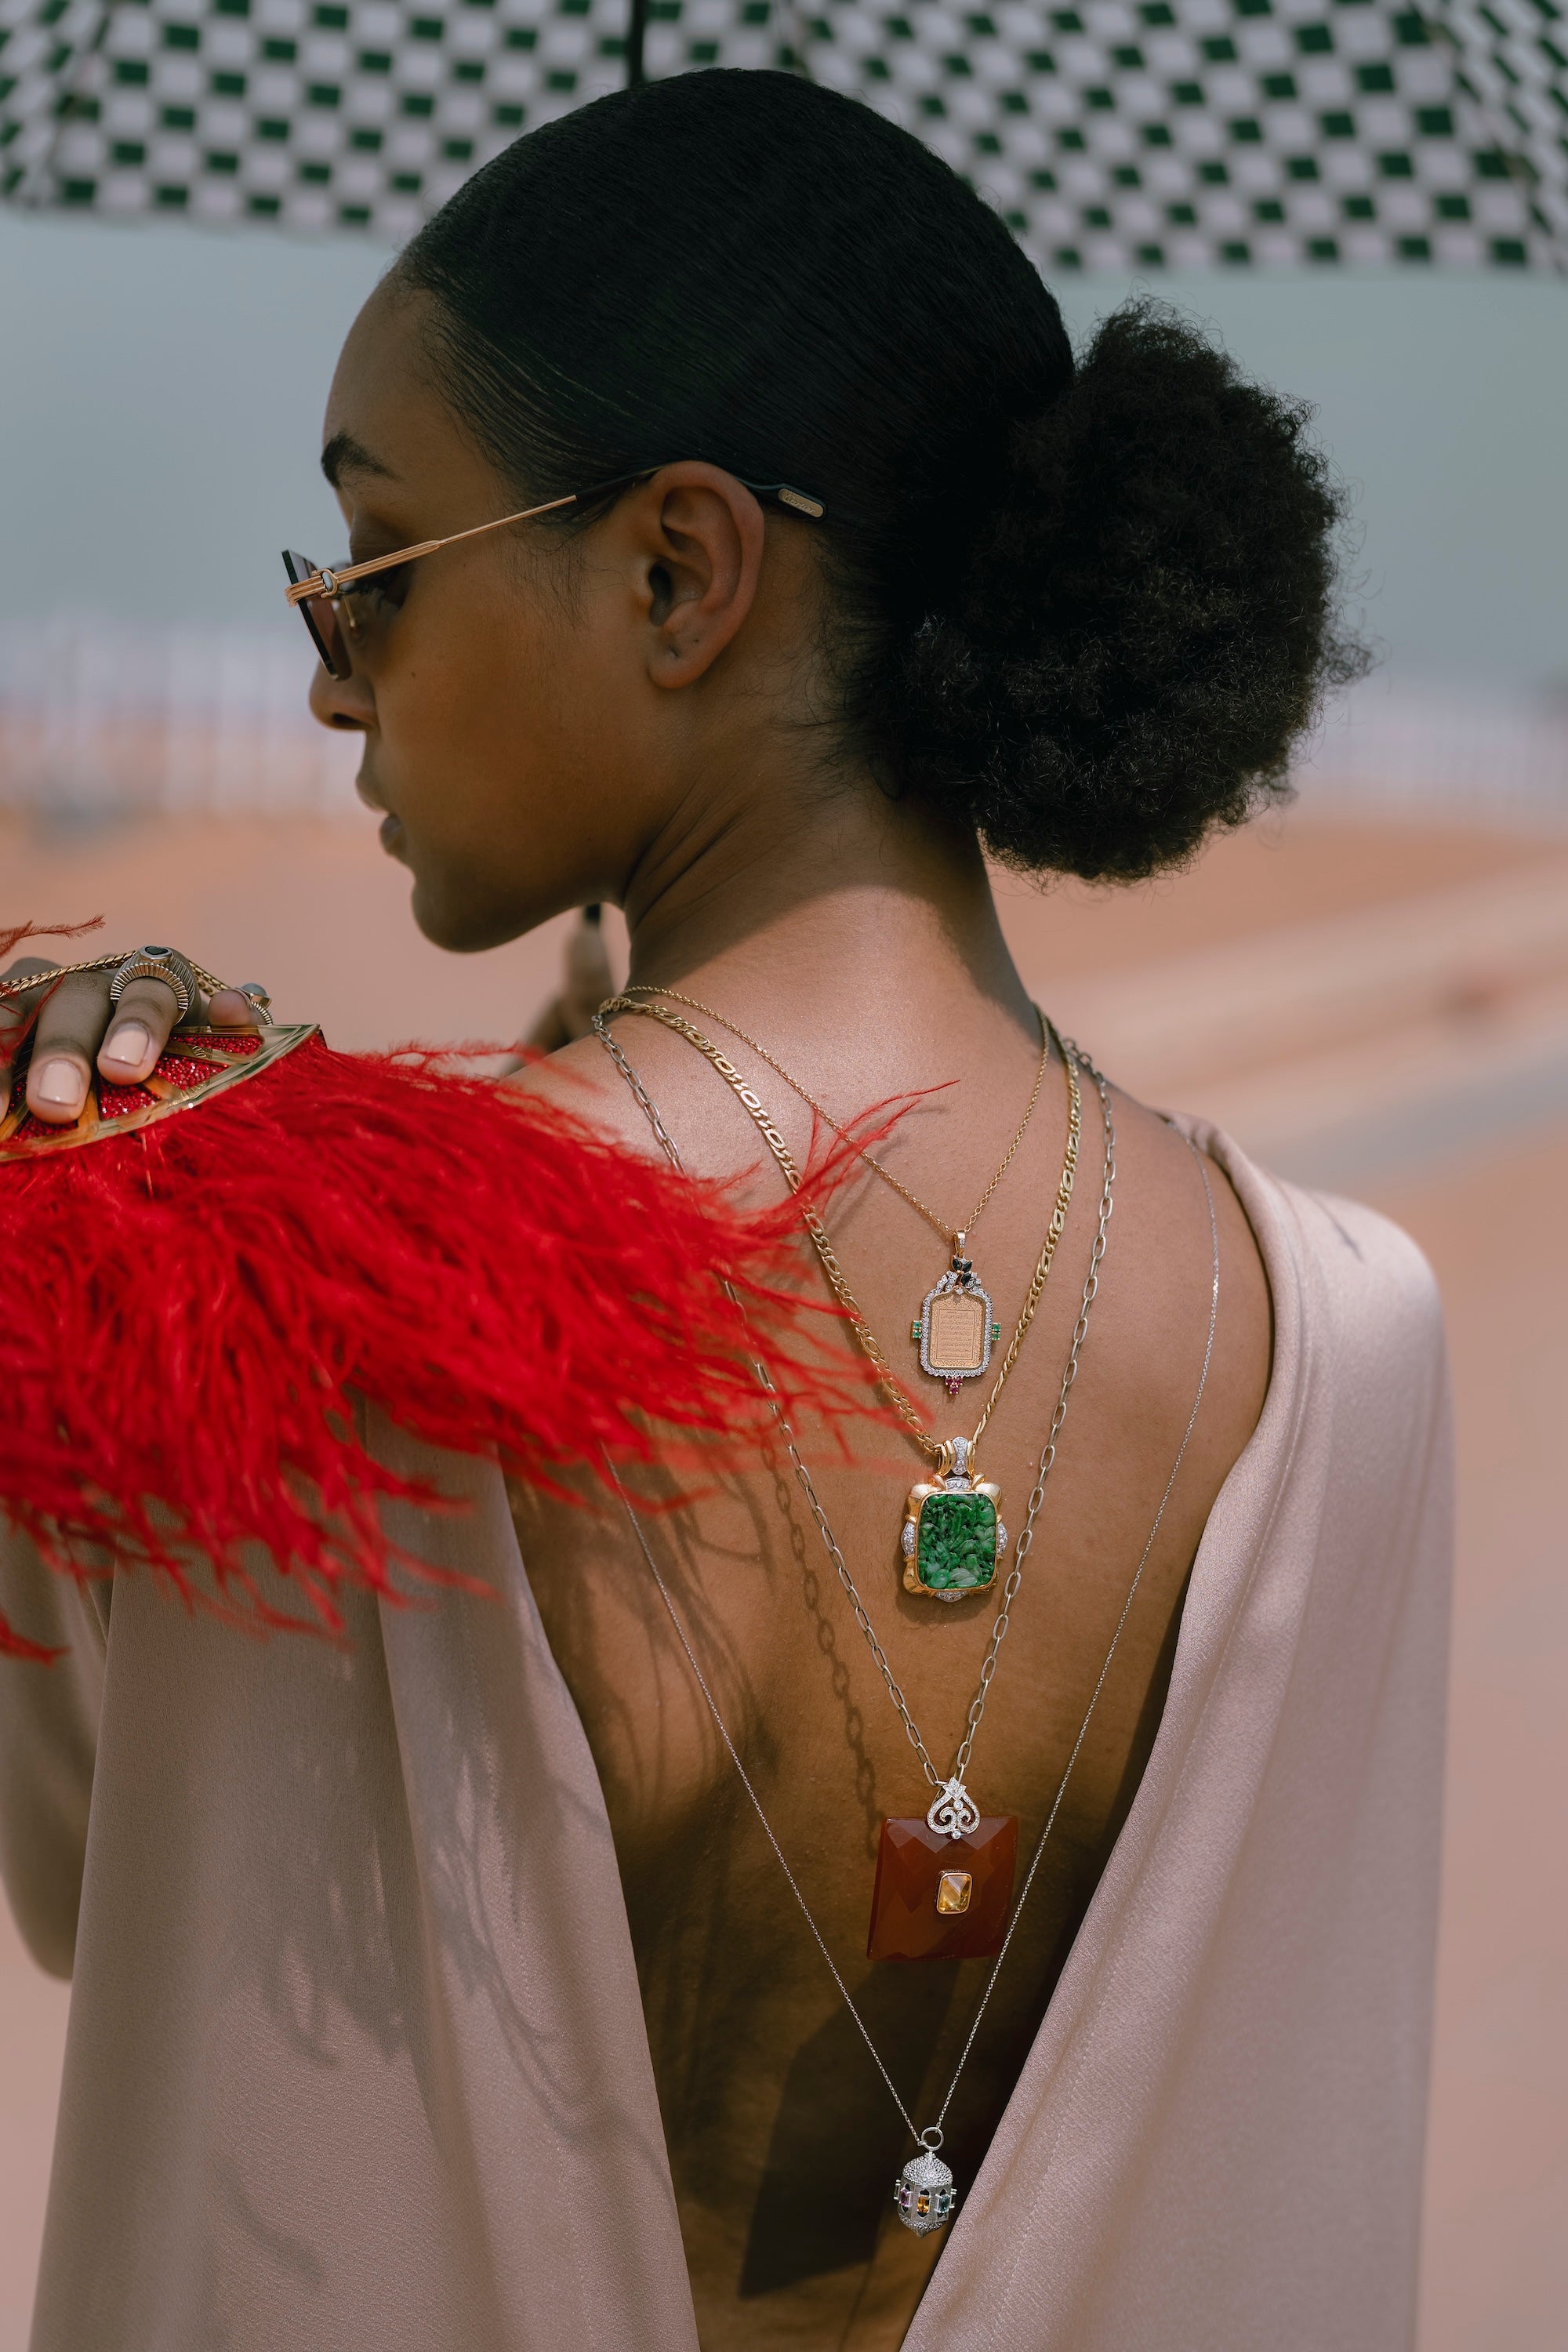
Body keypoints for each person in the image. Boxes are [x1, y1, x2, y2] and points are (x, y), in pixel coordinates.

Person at [0, 69, 1450, 2352]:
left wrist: (81, 1182)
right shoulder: (1346, 1332)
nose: (319, 681)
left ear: (680, 569)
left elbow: (109, 1869)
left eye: (369, 572)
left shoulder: (293, 1274)